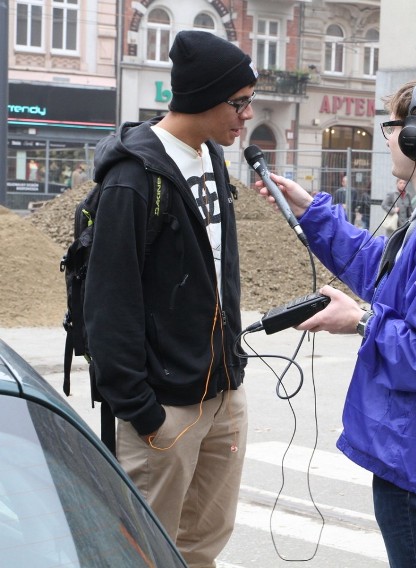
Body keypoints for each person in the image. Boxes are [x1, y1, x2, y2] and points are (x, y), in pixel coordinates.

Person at [255, 69, 416, 568]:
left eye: (392, 127)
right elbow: (387, 270)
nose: (390, 138)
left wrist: (358, 322)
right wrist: (314, 212)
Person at [83, 30, 256, 567]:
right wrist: (141, 408)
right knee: (143, 550)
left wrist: (230, 373)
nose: (246, 116)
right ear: (206, 95)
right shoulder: (133, 180)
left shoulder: (213, 157)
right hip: (164, 406)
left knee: (203, 542)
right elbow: (109, 302)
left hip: (222, 391)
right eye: (239, 102)